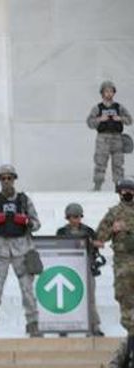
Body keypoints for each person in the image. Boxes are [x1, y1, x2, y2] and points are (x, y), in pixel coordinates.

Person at [0, 164, 42, 338]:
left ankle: (33, 323)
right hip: (0, 250)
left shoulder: (23, 200)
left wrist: (26, 221)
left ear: (14, 179)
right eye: (3, 178)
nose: (6, 181)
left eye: (9, 178)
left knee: (27, 290)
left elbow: (36, 223)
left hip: (21, 248)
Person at [56, 203, 105, 336]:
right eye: (73, 217)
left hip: (86, 266)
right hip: (69, 267)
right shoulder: (62, 232)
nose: (75, 219)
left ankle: (94, 326)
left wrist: (89, 242)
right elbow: (56, 246)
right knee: (66, 299)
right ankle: (64, 326)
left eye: (78, 216)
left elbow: (101, 244)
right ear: (68, 217)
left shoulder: (88, 231)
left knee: (90, 298)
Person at [98, 178, 134, 336]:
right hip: (123, 261)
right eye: (124, 191)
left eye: (130, 191)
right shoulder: (113, 213)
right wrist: (112, 229)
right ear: (119, 194)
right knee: (123, 295)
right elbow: (99, 237)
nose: (127, 194)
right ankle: (130, 334)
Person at [89, 80, 132, 191]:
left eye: (111, 91)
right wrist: (99, 119)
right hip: (103, 138)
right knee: (100, 163)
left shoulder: (119, 107)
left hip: (117, 138)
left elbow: (130, 120)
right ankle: (97, 186)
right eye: (106, 91)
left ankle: (119, 187)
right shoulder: (97, 108)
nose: (109, 93)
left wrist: (120, 118)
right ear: (102, 93)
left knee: (118, 164)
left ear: (114, 93)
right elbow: (90, 122)